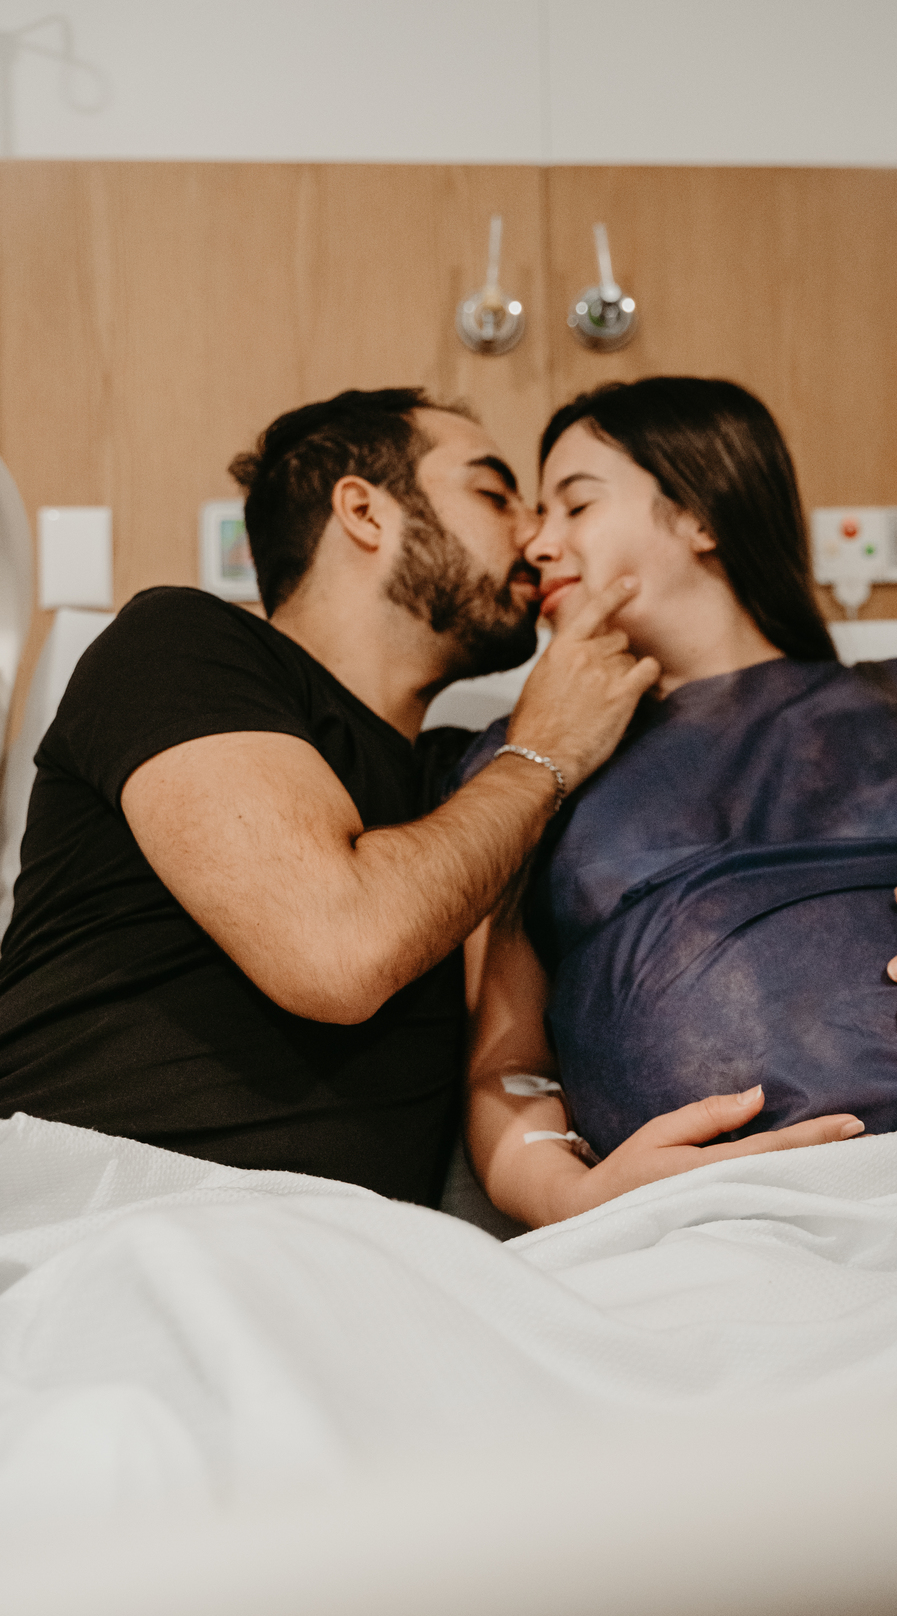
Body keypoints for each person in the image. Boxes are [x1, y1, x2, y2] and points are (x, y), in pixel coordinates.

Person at [462, 376, 897, 1229]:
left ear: (699, 514)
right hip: (726, 1220)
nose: (538, 543)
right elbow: (508, 1068)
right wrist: (571, 1194)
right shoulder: (530, 763)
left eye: (575, 505)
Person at [0, 387, 666, 1202]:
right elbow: (335, 952)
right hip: (97, 1210)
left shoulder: (470, 781)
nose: (536, 536)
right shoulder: (178, 645)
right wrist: (544, 755)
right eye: (495, 495)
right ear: (364, 512)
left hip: (339, 1250)